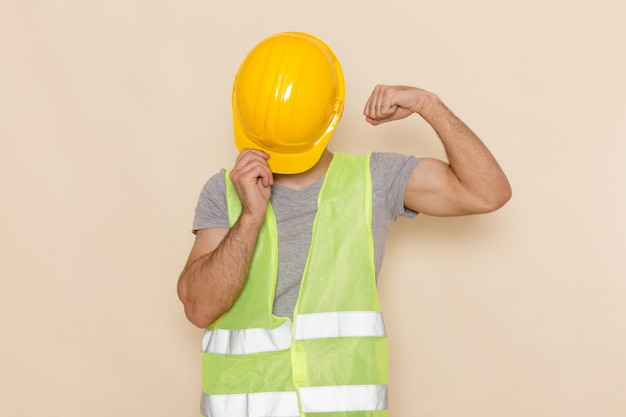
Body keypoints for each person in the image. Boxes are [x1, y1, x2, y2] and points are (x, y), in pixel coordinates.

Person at [177, 32, 511, 417]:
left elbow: (488, 192)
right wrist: (251, 215)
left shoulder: (375, 180)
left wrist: (428, 105)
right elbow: (199, 309)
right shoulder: (226, 191)